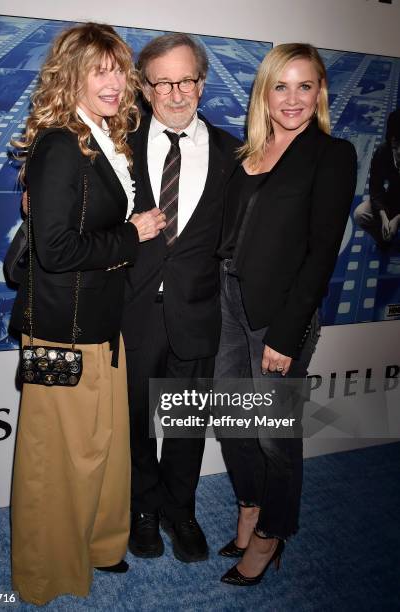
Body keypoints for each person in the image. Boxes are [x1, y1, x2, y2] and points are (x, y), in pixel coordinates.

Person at [9, 22, 164, 605]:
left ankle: (99, 545)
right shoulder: (57, 142)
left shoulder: (101, 135)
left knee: (99, 446)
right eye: (99, 69)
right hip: (60, 331)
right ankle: (47, 571)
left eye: (119, 69)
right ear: (70, 74)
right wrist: (132, 236)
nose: (114, 81)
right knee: (56, 458)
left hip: (99, 324)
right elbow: (54, 248)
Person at [214, 43, 357, 586]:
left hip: (279, 313)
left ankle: (273, 533)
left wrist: (289, 331)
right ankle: (249, 506)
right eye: (281, 85)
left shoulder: (332, 153)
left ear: (320, 92)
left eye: (305, 86)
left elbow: (322, 251)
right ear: (264, 92)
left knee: (274, 434)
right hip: (227, 302)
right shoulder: (245, 153)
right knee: (233, 421)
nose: (292, 98)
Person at [121, 33, 240, 562]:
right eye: (162, 82)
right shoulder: (114, 142)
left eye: (186, 79)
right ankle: (143, 509)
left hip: (197, 313)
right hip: (132, 311)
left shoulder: (233, 153)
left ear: (202, 82)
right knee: (134, 420)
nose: (175, 92)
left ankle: (181, 509)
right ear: (145, 89)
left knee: (187, 424)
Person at [354, 108, 400, 249]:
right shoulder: (382, 152)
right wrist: (384, 217)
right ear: (392, 141)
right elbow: (375, 188)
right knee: (360, 214)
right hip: (393, 198)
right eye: (397, 145)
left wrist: (398, 219)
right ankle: (385, 237)